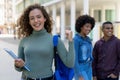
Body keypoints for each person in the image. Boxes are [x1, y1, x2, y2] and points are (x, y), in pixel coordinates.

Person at [14, 4, 75, 80]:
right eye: (32, 18)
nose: (36, 20)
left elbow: (70, 63)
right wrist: (18, 65)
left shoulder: (54, 40)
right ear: (29, 22)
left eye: (39, 17)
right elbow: (19, 69)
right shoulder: (24, 40)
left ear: (45, 18)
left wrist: (71, 41)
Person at [73, 15, 95, 80]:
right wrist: (79, 74)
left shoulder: (88, 40)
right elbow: (74, 59)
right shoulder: (76, 40)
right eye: (87, 26)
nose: (89, 29)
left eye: (90, 27)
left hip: (89, 68)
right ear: (81, 26)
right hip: (80, 69)